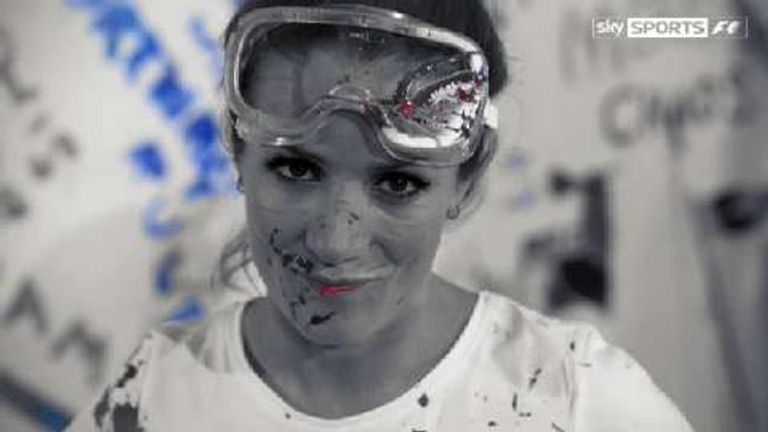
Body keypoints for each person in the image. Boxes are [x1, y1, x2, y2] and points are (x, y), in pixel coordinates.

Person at [67, 0, 695, 430]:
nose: (335, 242)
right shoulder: (151, 399)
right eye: (296, 169)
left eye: (398, 182)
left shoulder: (575, 400)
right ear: (238, 149)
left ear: (466, 179)